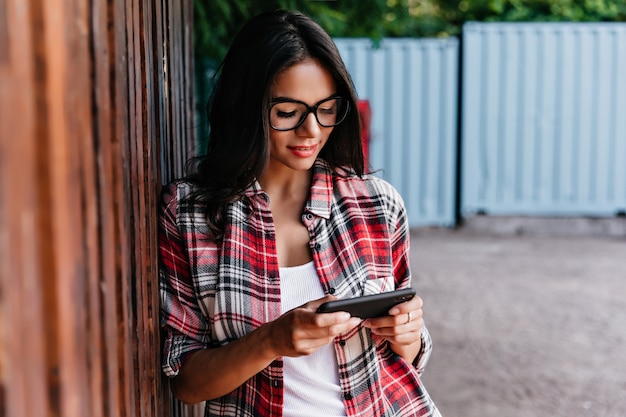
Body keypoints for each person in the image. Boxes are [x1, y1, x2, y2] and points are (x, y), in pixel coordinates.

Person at [158, 9, 441, 417]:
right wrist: (270, 341)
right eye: (288, 112)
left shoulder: (377, 203)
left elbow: (410, 356)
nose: (312, 131)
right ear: (246, 108)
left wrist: (408, 333)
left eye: (326, 109)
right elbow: (186, 383)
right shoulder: (190, 216)